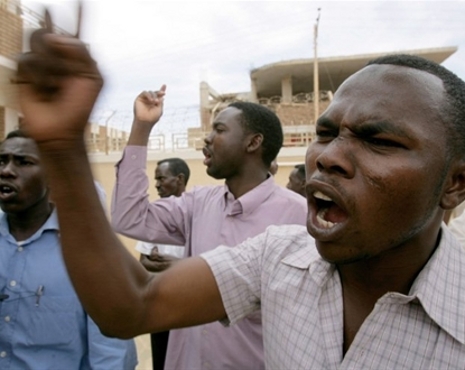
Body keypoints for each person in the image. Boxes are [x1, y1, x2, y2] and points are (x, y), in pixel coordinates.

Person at [16, 14, 465, 369]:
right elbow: (132, 304)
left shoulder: (290, 215)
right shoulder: (280, 255)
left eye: (380, 141)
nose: (329, 157)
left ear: (455, 183)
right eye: (325, 134)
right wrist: (62, 145)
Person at [110, 86, 307, 369]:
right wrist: (141, 127)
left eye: (219, 129)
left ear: (253, 143)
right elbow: (127, 217)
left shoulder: (297, 216)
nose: (207, 138)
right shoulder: (197, 204)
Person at [0, 129, 138, 369]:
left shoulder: (89, 255)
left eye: (23, 162)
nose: (6, 170)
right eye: (1, 161)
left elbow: (110, 354)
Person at [134, 157, 189, 370]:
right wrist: (183, 265)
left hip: (193, 303)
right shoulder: (154, 215)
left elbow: (207, 261)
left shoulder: (199, 213)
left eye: (161, 178)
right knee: (161, 358)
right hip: (160, 303)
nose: (156, 184)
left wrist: (166, 264)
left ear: (179, 179)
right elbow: (144, 262)